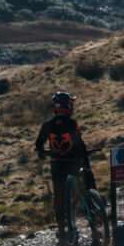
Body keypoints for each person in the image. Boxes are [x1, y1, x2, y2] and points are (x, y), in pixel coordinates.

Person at [34, 91, 96, 232]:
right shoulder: (72, 124)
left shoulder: (47, 125)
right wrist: (85, 158)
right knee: (86, 181)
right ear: (68, 106)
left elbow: (39, 143)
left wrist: (41, 152)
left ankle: (62, 229)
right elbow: (79, 144)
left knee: (59, 197)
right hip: (73, 163)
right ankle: (93, 206)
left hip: (57, 165)